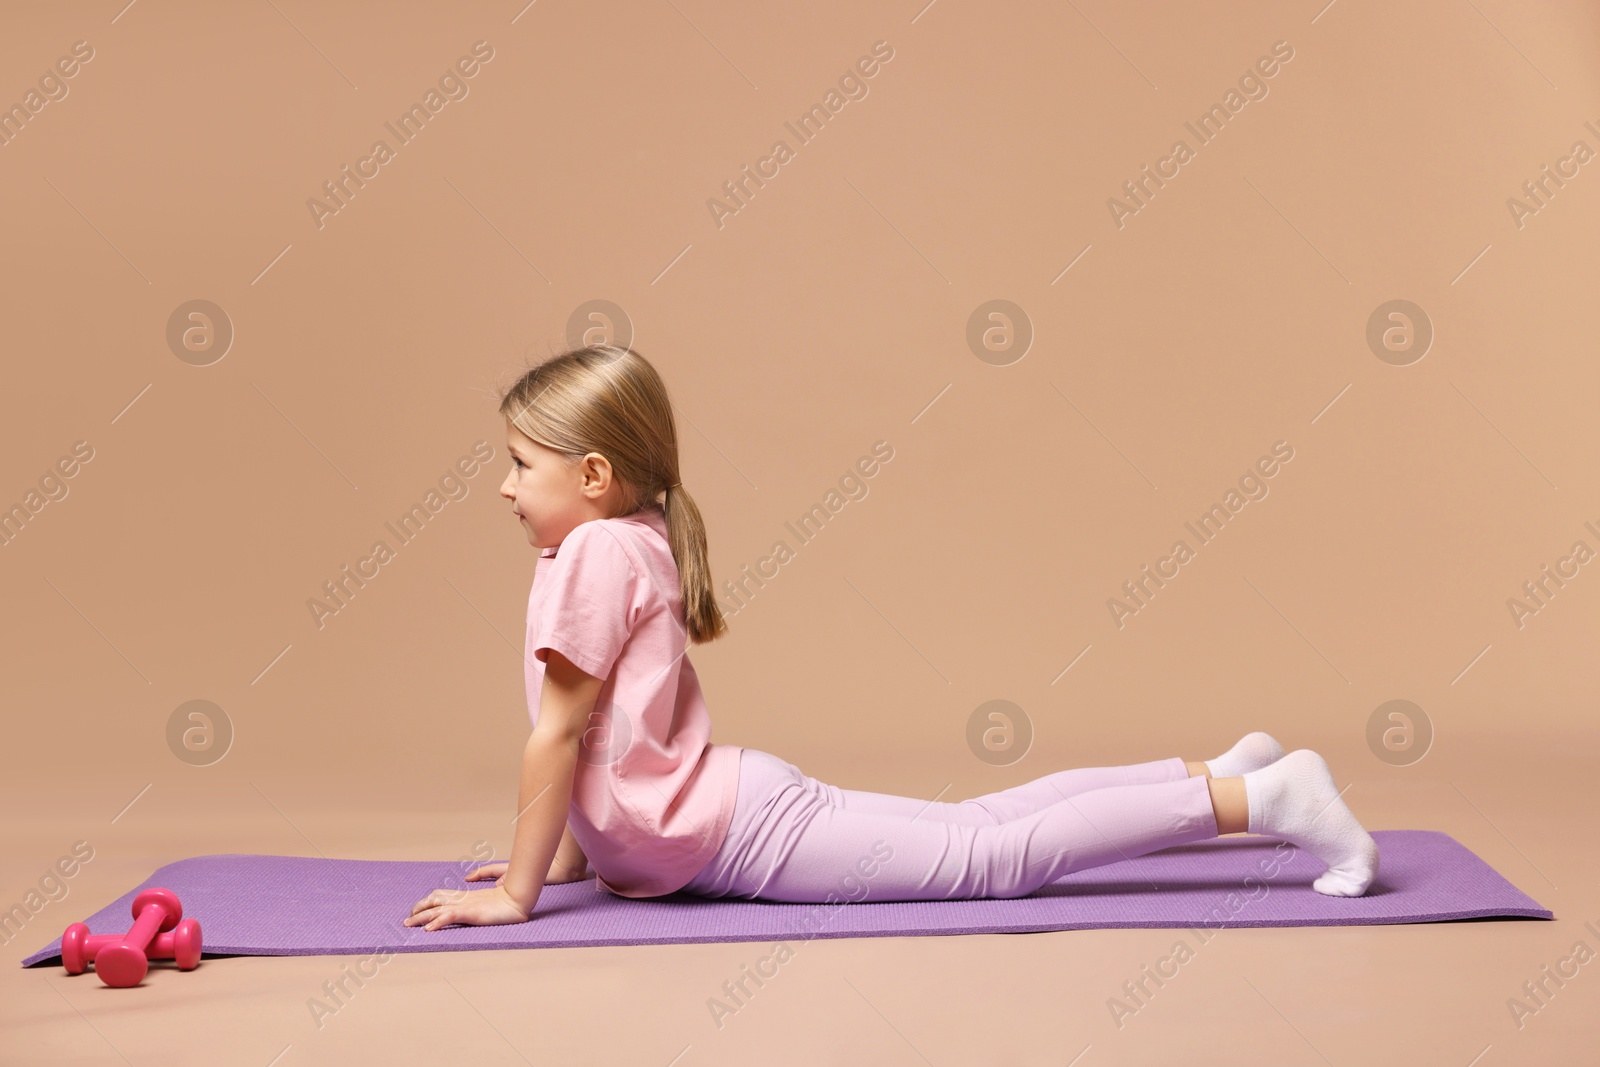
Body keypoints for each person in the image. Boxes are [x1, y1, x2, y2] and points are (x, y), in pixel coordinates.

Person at [404, 345, 1378, 932]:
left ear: (593, 473)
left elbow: (559, 736)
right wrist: (579, 857)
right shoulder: (628, 536)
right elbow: (601, 732)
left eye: (519, 463)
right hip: (730, 805)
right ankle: (1210, 769)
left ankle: (1258, 796)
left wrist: (525, 891)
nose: (504, 484)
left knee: (991, 859)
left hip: (734, 831)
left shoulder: (589, 557)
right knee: (985, 822)